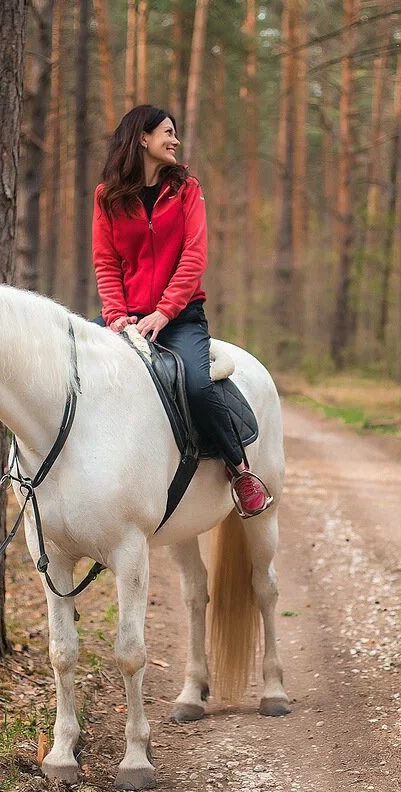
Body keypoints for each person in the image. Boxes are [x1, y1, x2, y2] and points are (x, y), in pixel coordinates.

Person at [92, 105, 272, 517]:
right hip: (125, 318)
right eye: (167, 133)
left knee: (197, 385)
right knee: (76, 373)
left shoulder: (187, 189)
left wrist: (165, 312)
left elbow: (194, 257)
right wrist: (117, 315)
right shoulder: (107, 196)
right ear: (143, 138)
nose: (175, 140)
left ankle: (240, 471)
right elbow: (106, 262)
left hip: (181, 317)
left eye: (174, 133)